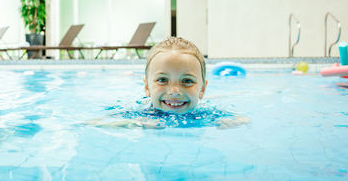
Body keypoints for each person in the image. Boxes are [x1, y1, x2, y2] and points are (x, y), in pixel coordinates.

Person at [86, 37, 250, 129]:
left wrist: (233, 122)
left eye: (187, 81)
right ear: (146, 87)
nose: (174, 91)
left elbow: (244, 119)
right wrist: (134, 123)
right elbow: (92, 123)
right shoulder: (139, 114)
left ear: (202, 89)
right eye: (162, 80)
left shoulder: (207, 114)